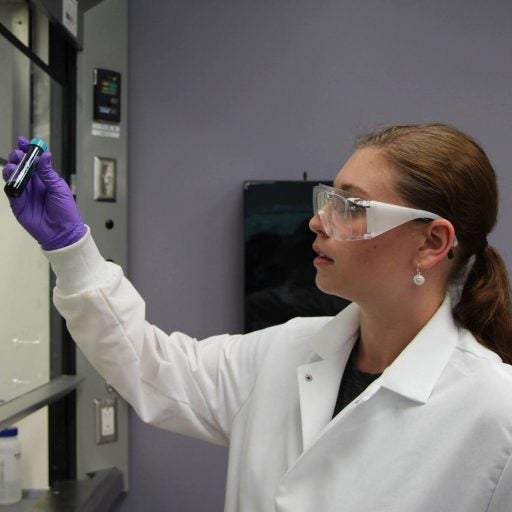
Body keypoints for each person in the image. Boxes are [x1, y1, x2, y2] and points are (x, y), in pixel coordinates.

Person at [3, 124, 512, 512]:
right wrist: (71, 250)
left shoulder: (495, 412)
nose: (317, 221)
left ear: (432, 243)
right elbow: (150, 367)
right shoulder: (285, 351)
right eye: (327, 200)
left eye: (350, 206)